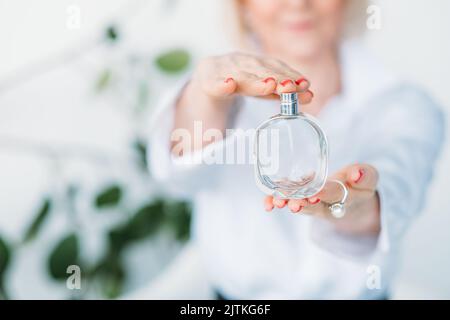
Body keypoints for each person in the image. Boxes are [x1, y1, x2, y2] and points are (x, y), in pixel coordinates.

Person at [148, 0, 444, 299]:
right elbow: (177, 175)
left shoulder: (405, 104)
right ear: (243, 6)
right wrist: (207, 95)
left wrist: (356, 205)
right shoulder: (211, 96)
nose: (298, 3)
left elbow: (399, 190)